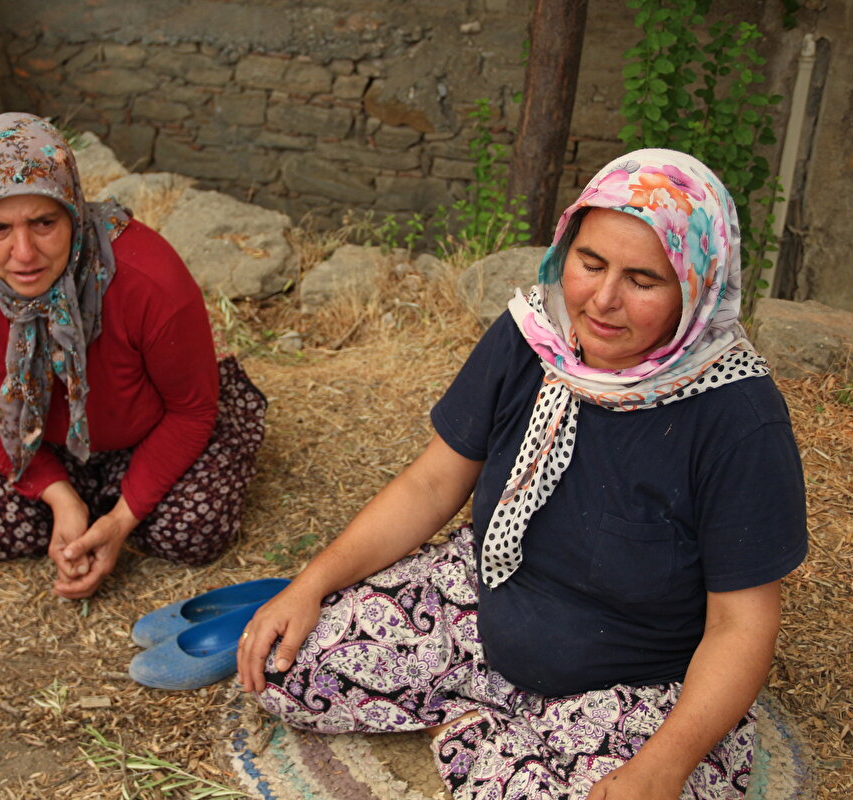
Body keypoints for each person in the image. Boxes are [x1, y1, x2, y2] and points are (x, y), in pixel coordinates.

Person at [237, 149, 807, 799]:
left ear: (697, 288)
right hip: (480, 605)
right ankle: (491, 728)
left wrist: (664, 764)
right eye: (590, 264)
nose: (603, 300)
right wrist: (310, 584)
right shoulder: (535, 336)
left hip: (636, 686)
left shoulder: (736, 418)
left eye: (643, 280)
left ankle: (489, 737)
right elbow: (430, 484)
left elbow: (741, 624)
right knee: (285, 666)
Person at [0, 113, 266, 599]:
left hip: (149, 433)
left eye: (44, 223)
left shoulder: (150, 279)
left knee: (192, 530)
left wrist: (121, 520)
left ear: (74, 210)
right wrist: (59, 496)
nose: (23, 252)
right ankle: (79, 504)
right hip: (35, 441)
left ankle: (113, 509)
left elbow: (191, 409)